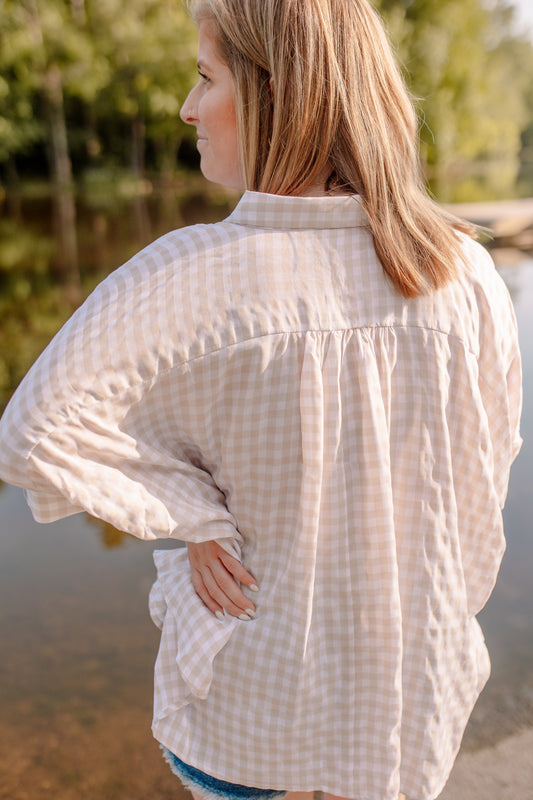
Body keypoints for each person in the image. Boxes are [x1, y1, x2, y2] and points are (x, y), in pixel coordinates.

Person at [0, 0, 522, 799]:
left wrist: (194, 514)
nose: (185, 106)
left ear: (277, 96)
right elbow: (482, 489)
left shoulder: (193, 274)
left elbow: (33, 434)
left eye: (205, 77)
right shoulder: (463, 274)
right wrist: (433, 614)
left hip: (252, 696)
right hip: (399, 703)